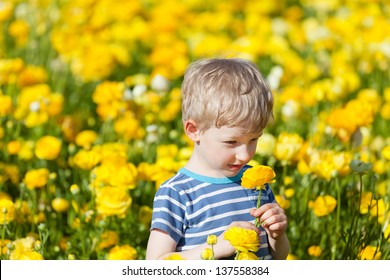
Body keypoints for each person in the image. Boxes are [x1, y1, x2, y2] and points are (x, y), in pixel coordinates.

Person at [146, 58, 290, 260]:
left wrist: (277, 236)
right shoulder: (177, 193)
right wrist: (217, 247)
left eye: (254, 139)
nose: (245, 154)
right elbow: (155, 264)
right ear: (194, 130)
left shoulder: (256, 182)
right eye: (231, 142)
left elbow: (278, 257)